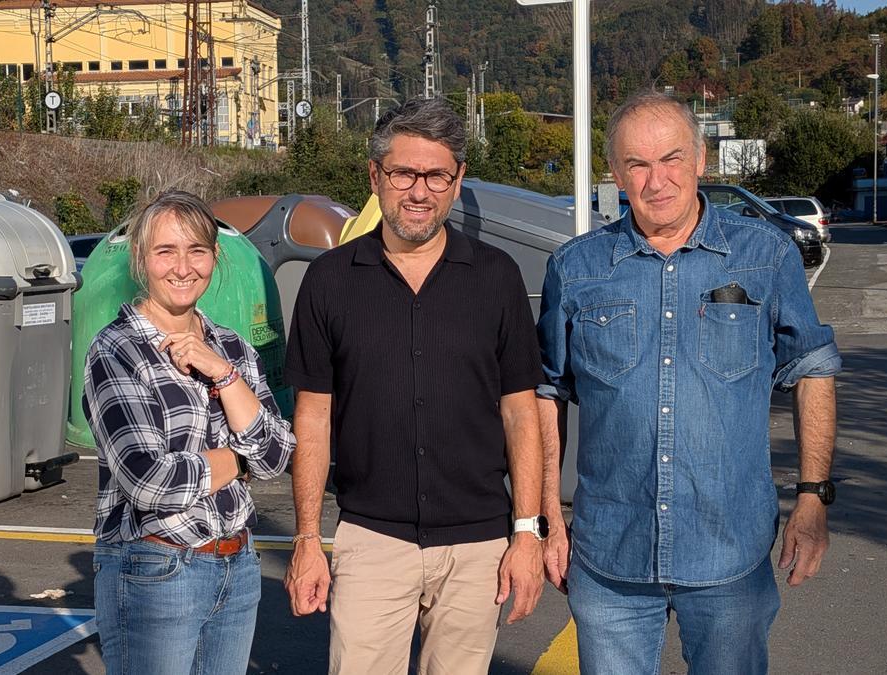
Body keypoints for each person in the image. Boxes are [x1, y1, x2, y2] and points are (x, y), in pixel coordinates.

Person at [536, 91, 841, 674]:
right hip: (610, 556)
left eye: (672, 158)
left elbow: (813, 371)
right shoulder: (576, 268)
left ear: (702, 160)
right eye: (638, 165)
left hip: (731, 552)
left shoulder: (764, 256)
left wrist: (812, 497)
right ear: (617, 174)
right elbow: (547, 392)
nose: (657, 181)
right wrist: (549, 517)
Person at [283, 97, 548, 675]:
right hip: (372, 539)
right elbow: (312, 418)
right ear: (375, 176)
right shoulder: (329, 281)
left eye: (436, 175)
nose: (419, 191)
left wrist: (526, 534)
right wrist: (307, 538)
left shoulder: (498, 277)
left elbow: (522, 415)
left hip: (478, 546)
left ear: (457, 182)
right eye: (404, 173)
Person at [84, 189, 296, 675]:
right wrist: (238, 460)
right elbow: (149, 481)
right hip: (156, 568)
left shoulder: (231, 348)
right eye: (165, 252)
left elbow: (279, 453)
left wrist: (223, 375)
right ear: (141, 259)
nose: (183, 267)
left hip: (237, 567)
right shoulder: (118, 350)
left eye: (196, 251)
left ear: (214, 257)